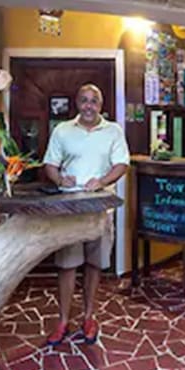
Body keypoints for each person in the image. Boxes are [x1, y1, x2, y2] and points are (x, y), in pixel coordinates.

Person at [43, 83, 130, 346]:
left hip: (100, 208)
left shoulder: (113, 131)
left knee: (95, 264)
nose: (89, 106)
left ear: (100, 105)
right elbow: (50, 164)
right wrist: (60, 179)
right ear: (77, 103)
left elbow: (122, 164)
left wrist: (102, 181)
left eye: (94, 101)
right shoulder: (62, 130)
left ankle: (89, 317)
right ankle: (62, 321)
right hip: (69, 208)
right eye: (84, 100)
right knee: (67, 265)